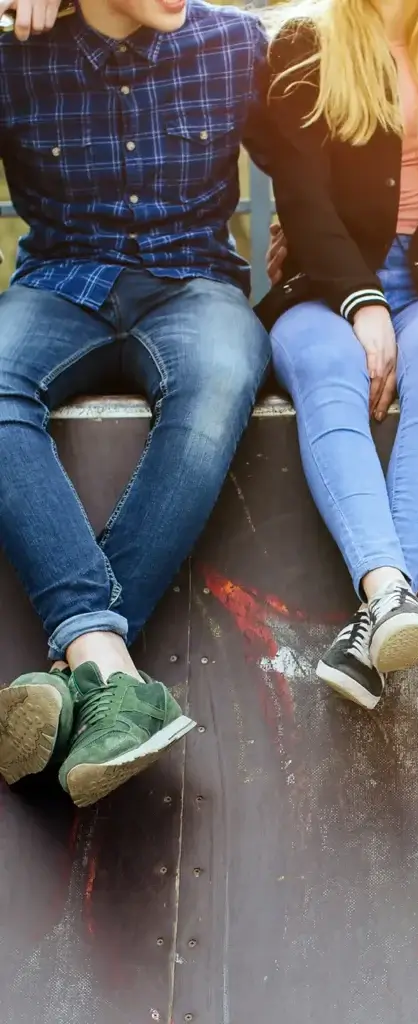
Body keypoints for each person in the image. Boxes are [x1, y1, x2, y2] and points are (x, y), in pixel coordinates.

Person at [0, 0, 271, 807]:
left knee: (218, 381)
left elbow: (347, 118)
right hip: (60, 284)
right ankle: (112, 670)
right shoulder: (18, 48)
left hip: (195, 286)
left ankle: (79, 670)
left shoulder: (237, 42)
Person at [255, 0, 418, 711]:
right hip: (328, 277)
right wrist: (362, 303)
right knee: (327, 366)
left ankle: (379, 619)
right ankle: (388, 597)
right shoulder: (304, 44)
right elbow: (301, 200)